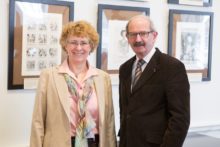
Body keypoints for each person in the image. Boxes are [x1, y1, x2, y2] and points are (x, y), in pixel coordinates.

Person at [30, 20, 117, 147]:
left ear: (91, 46)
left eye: (84, 43)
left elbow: (109, 122)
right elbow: (38, 121)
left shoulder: (102, 78)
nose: (78, 47)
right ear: (65, 45)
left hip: (95, 143)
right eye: (73, 42)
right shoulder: (49, 76)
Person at [118, 15, 190, 147]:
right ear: (127, 38)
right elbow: (125, 112)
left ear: (154, 35)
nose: (138, 39)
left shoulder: (172, 67)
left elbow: (180, 119)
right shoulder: (125, 68)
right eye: (133, 34)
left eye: (143, 33)